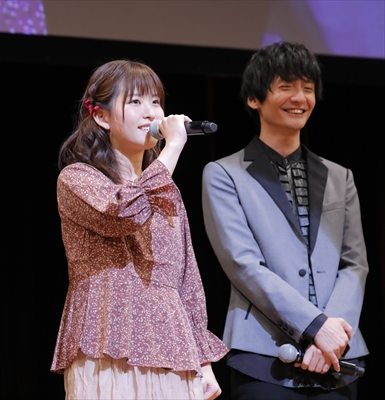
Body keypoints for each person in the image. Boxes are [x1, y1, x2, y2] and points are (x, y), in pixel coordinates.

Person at [50, 60, 228, 399]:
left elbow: (186, 280)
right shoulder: (77, 179)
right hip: (106, 345)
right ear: (101, 117)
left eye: (156, 102)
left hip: (173, 348)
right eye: (135, 101)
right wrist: (172, 148)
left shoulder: (166, 193)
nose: (151, 112)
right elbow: (123, 212)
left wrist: (204, 362)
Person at [201, 42, 369, 399]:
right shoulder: (223, 174)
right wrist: (315, 326)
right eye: (286, 86)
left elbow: (354, 264)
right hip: (265, 357)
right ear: (254, 99)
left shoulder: (340, 177)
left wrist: (332, 335)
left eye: (308, 88)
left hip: (338, 358)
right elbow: (243, 264)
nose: (300, 97)